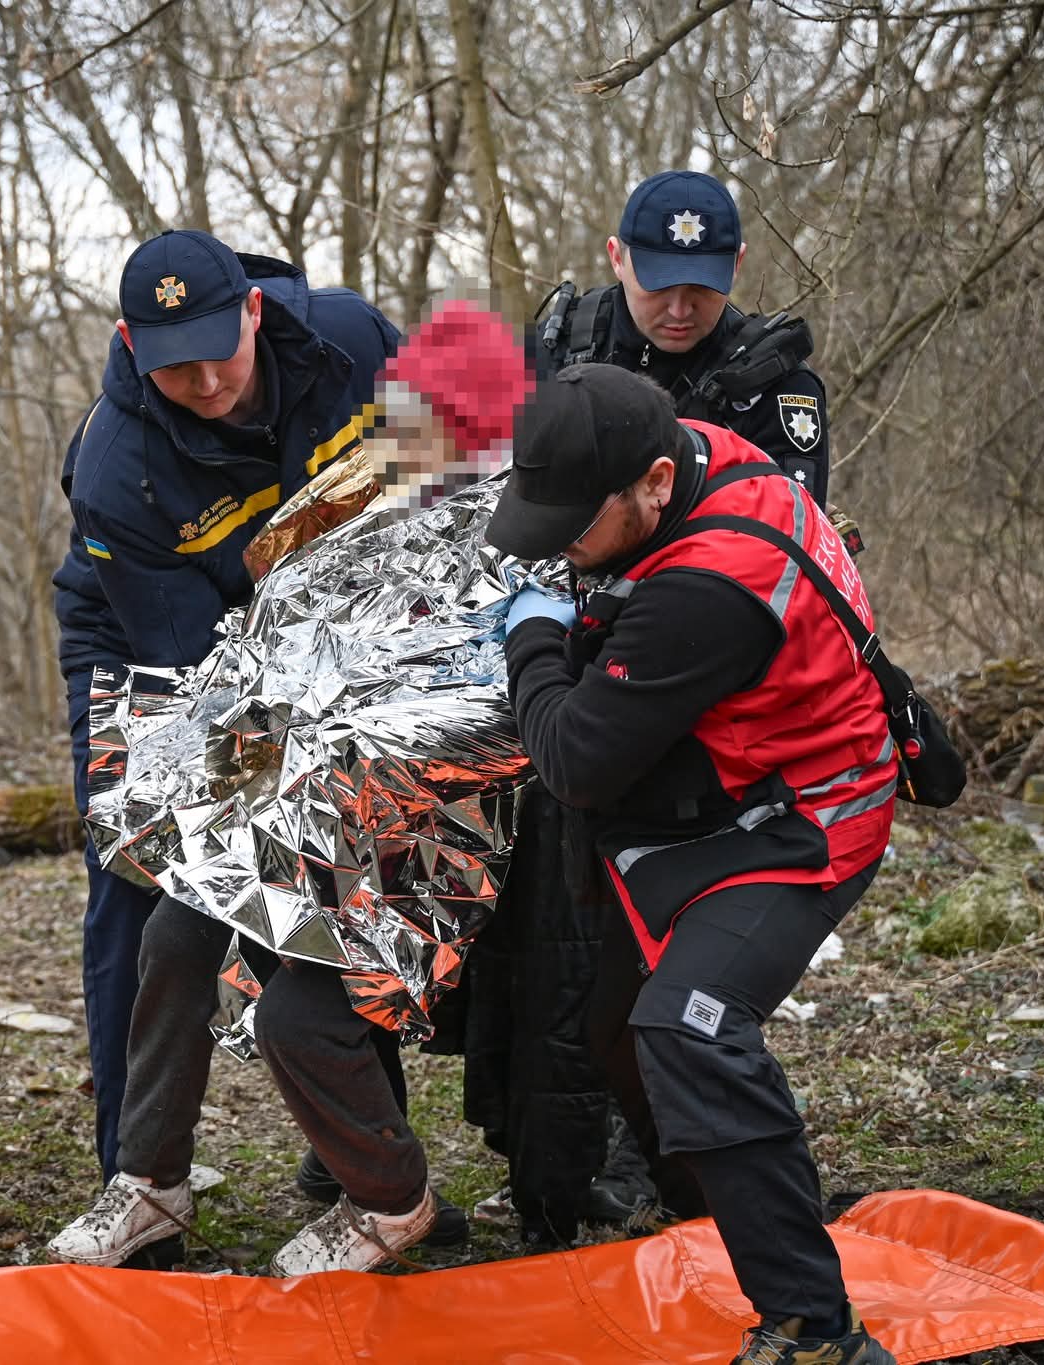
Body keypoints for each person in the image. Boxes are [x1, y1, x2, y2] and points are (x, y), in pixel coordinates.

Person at [47, 302, 522, 1276]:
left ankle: (391, 1200)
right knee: (173, 930)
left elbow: (484, 698)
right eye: (399, 411)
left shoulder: (514, 525)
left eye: (428, 419)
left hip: (416, 819)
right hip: (305, 780)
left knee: (295, 1016)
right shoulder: (374, 493)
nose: (399, 432)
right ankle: (150, 1183)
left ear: (474, 431)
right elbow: (288, 619)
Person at [485, 364, 897, 1365]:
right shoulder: (693, 456)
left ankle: (812, 1327)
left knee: (689, 1030)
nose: (561, 548)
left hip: (804, 823)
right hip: (718, 799)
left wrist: (532, 640)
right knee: (614, 1032)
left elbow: (575, 758)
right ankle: (700, 1218)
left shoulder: (708, 586)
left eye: (575, 525)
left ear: (655, 484)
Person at [49, 229, 397, 1184]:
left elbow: (451, 451)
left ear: (254, 308)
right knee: (145, 873)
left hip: (330, 610)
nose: (206, 385)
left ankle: (356, 1159)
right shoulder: (117, 465)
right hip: (150, 641)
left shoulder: (351, 340)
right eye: (175, 369)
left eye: (219, 355)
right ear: (128, 343)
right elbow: (206, 674)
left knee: (353, 836)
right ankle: (139, 1173)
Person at [536, 170, 830, 506]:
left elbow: (786, 538)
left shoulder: (774, 386)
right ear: (617, 258)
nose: (679, 310)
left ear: (737, 263)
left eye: (701, 287)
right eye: (658, 285)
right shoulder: (559, 346)